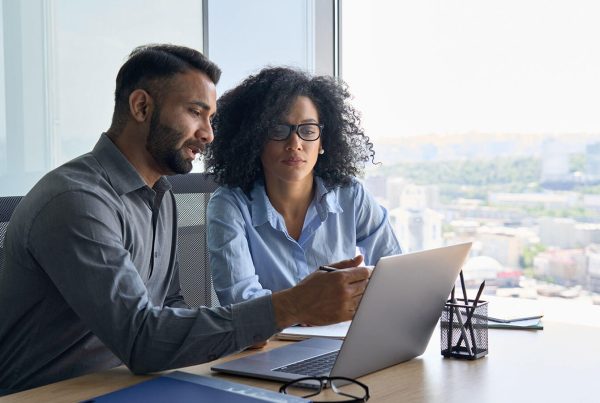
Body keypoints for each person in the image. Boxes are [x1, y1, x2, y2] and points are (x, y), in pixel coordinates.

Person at [0, 45, 370, 395]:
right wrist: (289, 306)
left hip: (133, 384)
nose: (208, 134)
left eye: (210, 118)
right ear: (141, 107)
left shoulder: (160, 196)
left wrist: (246, 326)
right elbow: (141, 339)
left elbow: (171, 306)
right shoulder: (77, 201)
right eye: (195, 113)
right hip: (51, 393)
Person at [205, 67, 401, 306]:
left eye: (308, 130)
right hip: (269, 342)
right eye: (279, 130)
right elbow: (241, 303)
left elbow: (395, 272)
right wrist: (307, 307)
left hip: (344, 337)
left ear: (322, 142)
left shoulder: (351, 195)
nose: (295, 143)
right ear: (255, 139)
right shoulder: (229, 205)